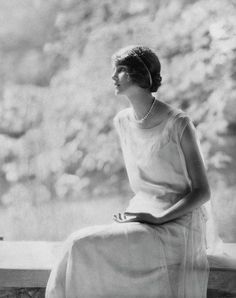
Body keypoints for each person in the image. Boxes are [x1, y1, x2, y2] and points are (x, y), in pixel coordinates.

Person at [46, 45, 210, 298]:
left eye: (121, 70)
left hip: (176, 227)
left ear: (141, 75)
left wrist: (159, 218)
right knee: (76, 244)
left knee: (80, 244)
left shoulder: (178, 123)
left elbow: (202, 192)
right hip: (140, 217)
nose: (113, 76)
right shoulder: (122, 121)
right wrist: (142, 215)